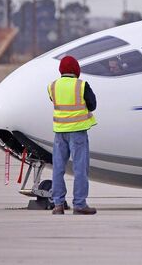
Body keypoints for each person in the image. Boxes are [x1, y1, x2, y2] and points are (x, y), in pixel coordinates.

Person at [48, 55, 98, 215]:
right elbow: (93, 105)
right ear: (76, 70)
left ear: (61, 70)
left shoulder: (53, 86)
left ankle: (58, 204)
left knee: (58, 169)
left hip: (59, 133)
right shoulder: (81, 85)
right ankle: (79, 204)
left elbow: (53, 101)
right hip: (78, 133)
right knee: (80, 169)